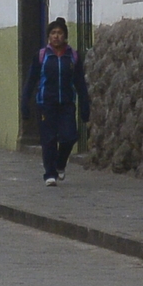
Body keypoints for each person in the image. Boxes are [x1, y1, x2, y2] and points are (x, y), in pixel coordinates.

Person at [20, 19, 89, 187]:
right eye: (53, 33)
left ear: (65, 36)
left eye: (59, 33)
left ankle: (60, 163)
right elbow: (31, 80)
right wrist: (25, 102)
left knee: (70, 136)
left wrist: (85, 105)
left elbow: (80, 82)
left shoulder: (73, 56)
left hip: (66, 103)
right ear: (49, 37)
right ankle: (50, 173)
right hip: (46, 103)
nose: (56, 36)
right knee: (48, 140)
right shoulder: (42, 56)